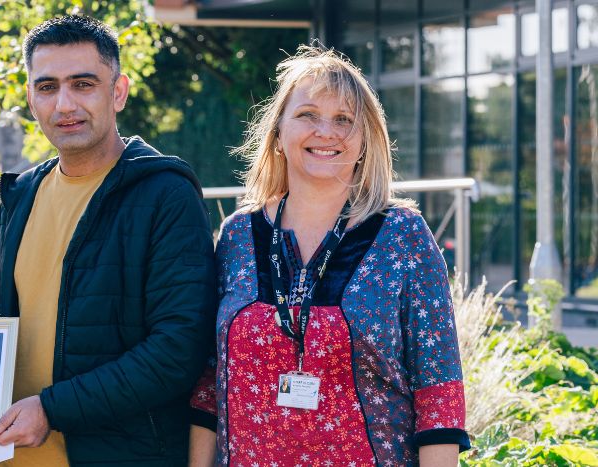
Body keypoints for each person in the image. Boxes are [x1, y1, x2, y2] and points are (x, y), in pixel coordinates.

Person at [188, 46, 469, 467]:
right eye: (307, 115)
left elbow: (439, 394)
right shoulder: (237, 237)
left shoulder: (402, 237)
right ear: (278, 132)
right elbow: (210, 383)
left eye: (344, 120)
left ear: (364, 140)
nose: (326, 131)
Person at [0, 15, 216, 466]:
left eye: (83, 84)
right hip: (14, 457)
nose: (64, 104)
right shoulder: (21, 195)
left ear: (118, 91)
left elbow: (178, 349)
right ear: (29, 96)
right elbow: (26, 312)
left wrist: (52, 409)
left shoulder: (165, 194)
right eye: (47, 87)